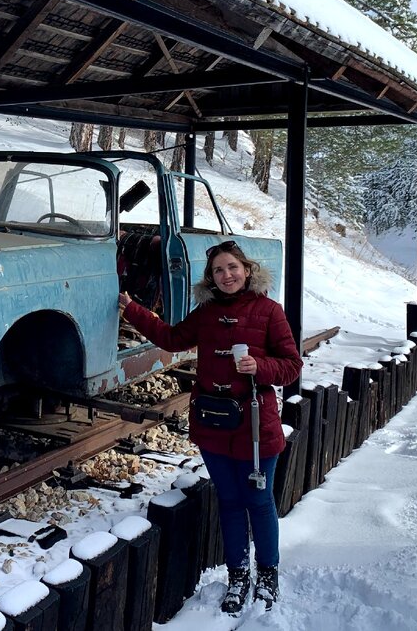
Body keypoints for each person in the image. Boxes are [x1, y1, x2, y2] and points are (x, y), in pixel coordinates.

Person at [118, 240, 302, 613]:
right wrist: (131, 309)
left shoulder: (269, 311)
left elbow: (292, 366)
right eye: (218, 270)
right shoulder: (206, 313)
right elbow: (171, 339)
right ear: (211, 278)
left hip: (255, 427)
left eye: (232, 267)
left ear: (246, 270)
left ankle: (267, 574)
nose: (227, 275)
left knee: (259, 502)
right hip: (214, 424)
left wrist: (259, 367)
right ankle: (238, 575)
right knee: (230, 501)